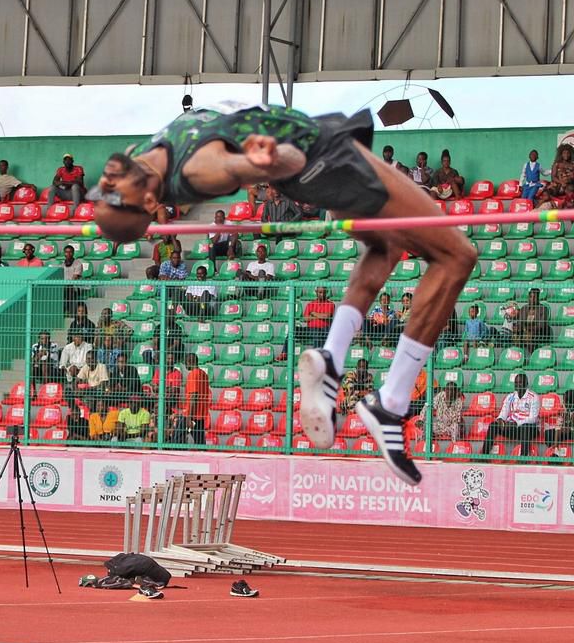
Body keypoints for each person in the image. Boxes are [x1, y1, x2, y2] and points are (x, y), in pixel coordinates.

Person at [89, 101, 476, 484]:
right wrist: (271, 156)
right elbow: (275, 163)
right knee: (456, 257)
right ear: (149, 201)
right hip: (323, 158)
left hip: (321, 154)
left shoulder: (140, 156)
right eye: (114, 192)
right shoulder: (201, 169)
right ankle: (391, 402)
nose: (108, 183)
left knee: (385, 245)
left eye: (106, 190)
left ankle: (332, 358)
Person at [487, 373, 540, 456]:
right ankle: (484, 454)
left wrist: (517, 423)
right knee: (493, 425)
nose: (517, 385)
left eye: (520, 382)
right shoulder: (510, 396)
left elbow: (533, 418)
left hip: (529, 429)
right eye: (516, 383)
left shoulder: (533, 397)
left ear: (526, 384)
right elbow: (504, 412)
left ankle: (523, 458)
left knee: (525, 427)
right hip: (512, 428)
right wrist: (500, 420)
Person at [184, 353, 210, 444]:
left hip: (192, 415)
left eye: (185, 363)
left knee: (178, 437)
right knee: (199, 441)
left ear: (189, 362)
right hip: (200, 414)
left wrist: (189, 417)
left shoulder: (193, 374)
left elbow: (193, 396)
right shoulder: (204, 374)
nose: (185, 366)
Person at [61, 244, 84, 314]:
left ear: (73, 253)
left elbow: (75, 277)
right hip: (64, 286)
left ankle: (69, 311)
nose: (68, 254)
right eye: (66, 252)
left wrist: (66, 284)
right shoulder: (62, 264)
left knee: (69, 289)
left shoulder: (78, 264)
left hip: (75, 287)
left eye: (70, 252)